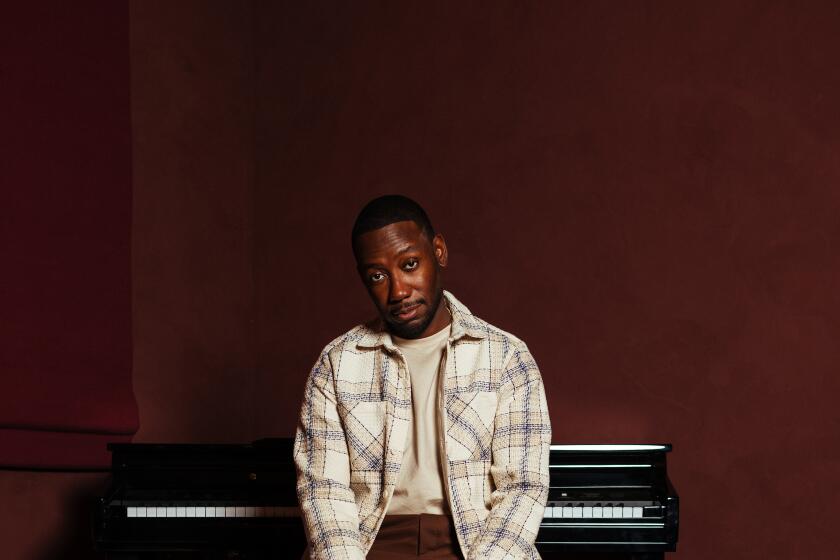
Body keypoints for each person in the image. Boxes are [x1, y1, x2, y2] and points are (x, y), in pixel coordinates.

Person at [294, 195, 551, 559]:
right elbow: (324, 490)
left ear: (439, 252)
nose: (398, 290)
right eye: (378, 276)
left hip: (473, 546)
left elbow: (522, 489)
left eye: (410, 264)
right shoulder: (337, 364)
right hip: (369, 545)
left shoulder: (506, 357)